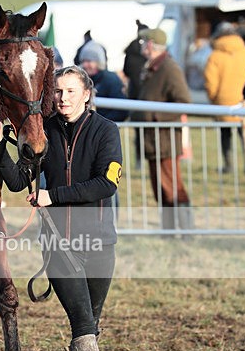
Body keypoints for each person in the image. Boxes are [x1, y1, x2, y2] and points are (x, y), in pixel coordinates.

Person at [0, 65, 122, 351]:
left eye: (70, 91)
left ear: (86, 94)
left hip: (99, 241)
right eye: (58, 92)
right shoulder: (42, 132)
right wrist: (0, 149)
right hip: (57, 244)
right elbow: (18, 181)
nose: (62, 98)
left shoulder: (106, 131)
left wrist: (54, 195)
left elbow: (105, 183)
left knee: (92, 321)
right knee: (81, 321)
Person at [138, 27, 193, 230]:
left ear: (151, 44)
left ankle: (186, 230)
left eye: (144, 42)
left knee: (173, 186)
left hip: (166, 139)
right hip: (154, 139)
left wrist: (155, 117)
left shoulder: (169, 67)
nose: (142, 46)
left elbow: (184, 101)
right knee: (160, 188)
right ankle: (168, 230)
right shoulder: (152, 67)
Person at [204, 21, 245, 173]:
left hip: (224, 104)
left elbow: (210, 83)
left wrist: (215, 99)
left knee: (226, 136)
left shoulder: (214, 56)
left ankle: (229, 166)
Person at [77, 39, 129, 122]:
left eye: (89, 61)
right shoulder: (80, 80)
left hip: (104, 130)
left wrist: (100, 123)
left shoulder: (111, 79)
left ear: (99, 62)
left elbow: (122, 110)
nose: (85, 65)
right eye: (83, 61)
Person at [123, 20, 148, 168]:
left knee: (139, 130)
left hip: (135, 93)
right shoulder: (147, 52)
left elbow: (126, 70)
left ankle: (139, 160)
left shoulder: (131, 49)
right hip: (144, 93)